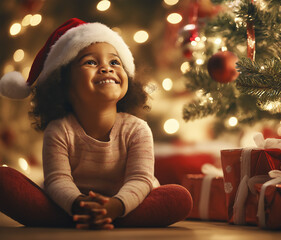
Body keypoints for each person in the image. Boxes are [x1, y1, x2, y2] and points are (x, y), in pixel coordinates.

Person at [0, 18, 192, 229]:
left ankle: (86, 220)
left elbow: (140, 179)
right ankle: (88, 217)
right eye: (91, 62)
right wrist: (78, 204)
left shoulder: (137, 129)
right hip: (72, 205)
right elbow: (57, 180)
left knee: (179, 197)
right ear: (63, 84)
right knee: (4, 179)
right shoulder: (59, 130)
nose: (106, 68)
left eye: (114, 62)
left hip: (126, 204)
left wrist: (115, 206)